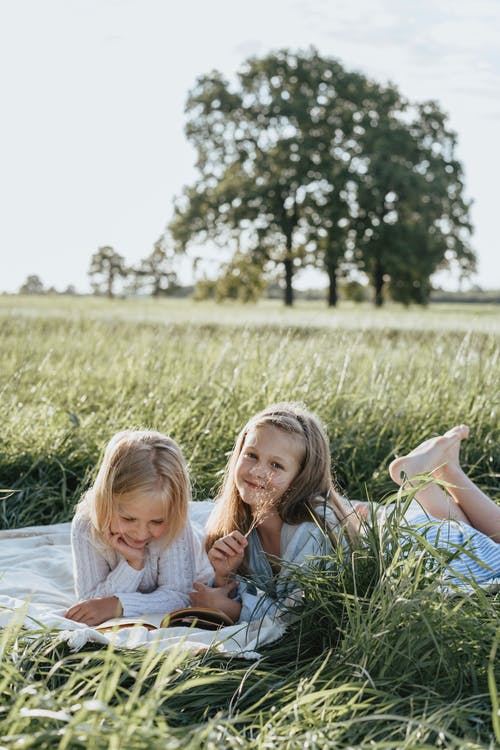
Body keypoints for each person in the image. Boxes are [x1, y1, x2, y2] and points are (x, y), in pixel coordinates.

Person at [189, 402, 360, 623]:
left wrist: (232, 610)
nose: (257, 471)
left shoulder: (313, 531)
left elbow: (302, 618)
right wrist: (224, 577)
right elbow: (237, 597)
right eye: (251, 455)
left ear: (301, 477)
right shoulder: (241, 522)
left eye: (276, 465)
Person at [65, 430, 212, 627]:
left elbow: (179, 596)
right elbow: (90, 603)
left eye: (156, 522)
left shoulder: (176, 522)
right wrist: (133, 564)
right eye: (128, 518)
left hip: (202, 566)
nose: (141, 534)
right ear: (106, 500)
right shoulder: (85, 525)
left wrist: (118, 605)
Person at [379, 424, 500, 585]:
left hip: (411, 544)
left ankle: (446, 470)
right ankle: (447, 470)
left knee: (481, 545)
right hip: (409, 541)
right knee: (482, 544)